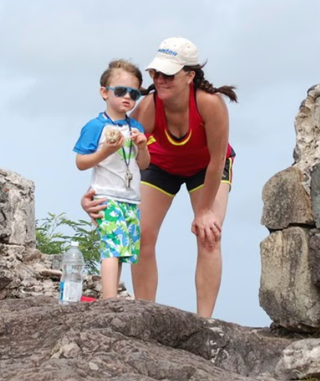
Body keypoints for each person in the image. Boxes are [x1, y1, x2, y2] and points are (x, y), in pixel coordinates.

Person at [81, 37, 237, 318]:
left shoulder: (210, 104)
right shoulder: (149, 107)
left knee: (208, 234)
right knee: (140, 235)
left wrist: (203, 210)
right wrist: (96, 193)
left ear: (190, 76)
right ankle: (146, 316)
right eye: (156, 73)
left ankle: (205, 323)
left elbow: (216, 161)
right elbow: (121, 158)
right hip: (161, 165)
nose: (160, 79)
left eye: (169, 74)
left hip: (206, 168)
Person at [74, 59, 150, 299]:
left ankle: (112, 294)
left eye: (134, 93)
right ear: (104, 93)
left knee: (123, 250)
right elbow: (81, 162)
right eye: (120, 91)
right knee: (112, 248)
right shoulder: (95, 126)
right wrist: (104, 151)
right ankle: (109, 299)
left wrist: (143, 145)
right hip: (106, 195)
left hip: (130, 196)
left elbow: (144, 164)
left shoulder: (135, 126)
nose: (127, 97)